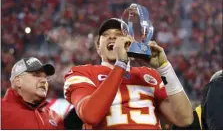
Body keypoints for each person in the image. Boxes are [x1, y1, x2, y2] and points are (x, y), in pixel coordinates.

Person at [63, 18, 193, 129]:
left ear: (129, 43)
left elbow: (184, 119)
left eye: (119, 34)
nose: (112, 37)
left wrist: (165, 68)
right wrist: (121, 64)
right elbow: (90, 115)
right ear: (98, 46)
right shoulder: (82, 73)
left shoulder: (149, 75)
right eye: (106, 34)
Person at [1, 57, 64, 129]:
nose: (44, 80)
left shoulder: (57, 118)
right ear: (18, 81)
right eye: (36, 75)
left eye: (45, 77)